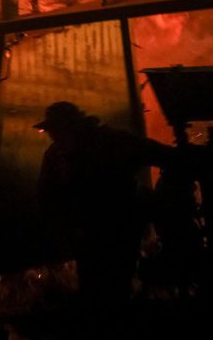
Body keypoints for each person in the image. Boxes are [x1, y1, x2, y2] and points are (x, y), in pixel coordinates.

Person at [34, 101, 174, 328]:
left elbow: (156, 153)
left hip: (119, 227)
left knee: (115, 285)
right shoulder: (55, 156)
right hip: (87, 233)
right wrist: (62, 227)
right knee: (94, 288)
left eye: (56, 131)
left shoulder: (111, 143)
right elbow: (46, 196)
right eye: (51, 132)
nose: (53, 137)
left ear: (72, 128)